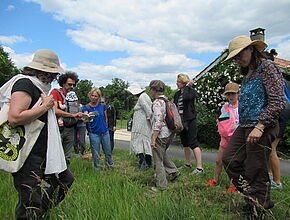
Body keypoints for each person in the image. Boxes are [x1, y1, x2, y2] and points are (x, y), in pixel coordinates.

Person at [1, 49, 74, 219]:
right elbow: (14, 117)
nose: (54, 77)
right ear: (42, 71)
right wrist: (45, 106)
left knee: (65, 180)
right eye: (52, 73)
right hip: (27, 153)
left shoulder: (39, 87)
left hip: (42, 153)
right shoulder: (25, 84)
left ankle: (40, 213)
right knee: (28, 201)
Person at [222, 36, 286, 217]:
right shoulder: (248, 74)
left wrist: (260, 125)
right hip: (244, 126)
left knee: (255, 168)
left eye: (239, 54)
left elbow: (278, 101)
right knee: (230, 159)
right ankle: (252, 196)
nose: (237, 59)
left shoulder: (267, 67)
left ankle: (257, 207)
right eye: (234, 57)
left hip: (262, 126)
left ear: (251, 49)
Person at [205, 82, 239, 193]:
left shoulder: (241, 107)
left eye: (233, 94)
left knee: (233, 162)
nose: (231, 97)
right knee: (218, 160)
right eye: (228, 94)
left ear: (238, 94)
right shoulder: (224, 106)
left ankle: (234, 185)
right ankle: (215, 180)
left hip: (236, 138)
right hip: (224, 137)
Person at [149, 80, 178, 192]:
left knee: (158, 160)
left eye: (151, 89)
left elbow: (158, 121)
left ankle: (161, 186)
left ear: (154, 90)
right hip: (170, 133)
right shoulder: (166, 100)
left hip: (161, 134)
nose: (150, 91)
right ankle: (173, 171)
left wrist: (153, 138)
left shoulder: (157, 103)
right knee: (162, 154)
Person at [173, 73, 204, 174]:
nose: (176, 83)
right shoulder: (177, 94)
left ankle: (199, 167)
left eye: (178, 82)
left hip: (190, 120)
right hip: (181, 122)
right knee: (185, 143)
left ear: (183, 83)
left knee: (193, 143)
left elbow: (186, 98)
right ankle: (187, 164)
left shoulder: (190, 92)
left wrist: (187, 87)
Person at [50, 71, 83, 165]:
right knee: (56, 153)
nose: (71, 87)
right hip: (58, 128)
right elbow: (55, 110)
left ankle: (64, 175)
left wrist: (81, 116)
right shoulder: (55, 93)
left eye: (74, 85)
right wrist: (73, 115)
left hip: (71, 127)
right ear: (63, 83)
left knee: (67, 155)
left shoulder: (73, 97)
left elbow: (76, 110)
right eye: (69, 84)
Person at [83, 88, 113, 170]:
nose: (93, 97)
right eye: (92, 95)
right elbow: (85, 118)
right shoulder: (86, 107)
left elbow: (105, 117)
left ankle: (110, 166)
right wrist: (88, 116)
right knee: (96, 153)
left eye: (95, 96)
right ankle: (97, 169)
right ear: (90, 96)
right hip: (94, 133)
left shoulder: (103, 106)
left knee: (108, 151)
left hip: (104, 132)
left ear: (98, 97)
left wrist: (106, 127)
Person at [268, 79, 290, 190]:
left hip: (280, 113)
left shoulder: (272, 78)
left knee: (271, 148)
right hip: (285, 112)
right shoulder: (284, 81)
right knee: (269, 147)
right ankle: (270, 175)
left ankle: (277, 182)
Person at [126, 84, 152, 171]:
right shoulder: (144, 96)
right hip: (142, 124)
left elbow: (148, 110)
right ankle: (147, 162)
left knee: (138, 143)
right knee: (144, 143)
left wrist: (150, 120)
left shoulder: (142, 98)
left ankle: (143, 162)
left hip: (141, 125)